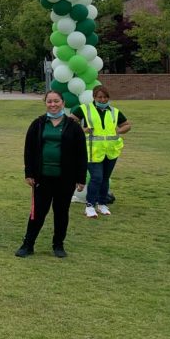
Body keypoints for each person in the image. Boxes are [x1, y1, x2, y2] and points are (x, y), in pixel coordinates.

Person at [15, 90, 87, 258]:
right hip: (42, 177)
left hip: (65, 178)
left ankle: (58, 245)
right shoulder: (38, 124)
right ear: (45, 103)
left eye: (56, 101)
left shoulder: (73, 126)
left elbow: (81, 154)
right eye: (49, 101)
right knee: (38, 212)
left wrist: (81, 178)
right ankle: (28, 244)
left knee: (61, 212)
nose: (53, 104)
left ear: (63, 102)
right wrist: (29, 173)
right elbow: (29, 150)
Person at [72, 85, 131, 218]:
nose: (103, 100)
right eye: (100, 97)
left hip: (111, 150)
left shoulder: (114, 111)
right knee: (97, 177)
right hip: (92, 150)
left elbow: (127, 125)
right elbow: (68, 122)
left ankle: (102, 204)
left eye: (105, 97)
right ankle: (90, 206)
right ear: (94, 97)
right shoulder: (84, 109)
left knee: (105, 178)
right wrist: (82, 130)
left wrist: (119, 131)